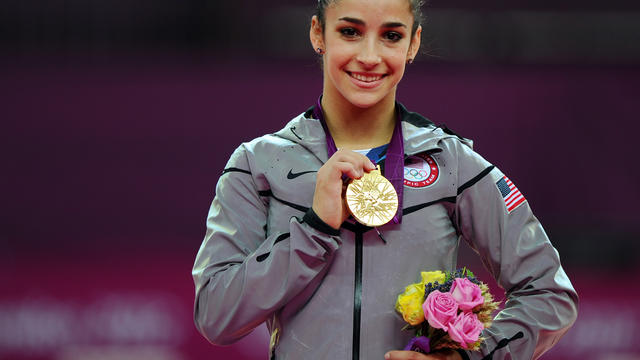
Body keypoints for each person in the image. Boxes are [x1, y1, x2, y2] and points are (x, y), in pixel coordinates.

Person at [192, 0, 579, 359]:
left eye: (391, 36)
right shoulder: (258, 164)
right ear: (317, 34)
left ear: (413, 43)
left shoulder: (453, 163)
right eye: (350, 32)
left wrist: (468, 357)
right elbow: (215, 315)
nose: (370, 56)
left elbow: (549, 293)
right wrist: (313, 229)